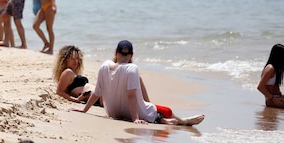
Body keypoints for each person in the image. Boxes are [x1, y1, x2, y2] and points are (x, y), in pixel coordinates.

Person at [77, 40, 205, 126]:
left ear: (116, 53)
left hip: (113, 113)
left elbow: (96, 93)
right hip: (133, 113)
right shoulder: (132, 69)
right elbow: (131, 95)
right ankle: (183, 121)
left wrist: (84, 110)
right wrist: (135, 119)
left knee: (153, 109)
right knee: (165, 109)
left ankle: (162, 120)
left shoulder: (104, 66)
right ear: (131, 55)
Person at [257, 43, 284, 108]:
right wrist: (272, 98)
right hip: (272, 100)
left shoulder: (276, 69)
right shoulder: (270, 68)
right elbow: (260, 87)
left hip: (276, 98)